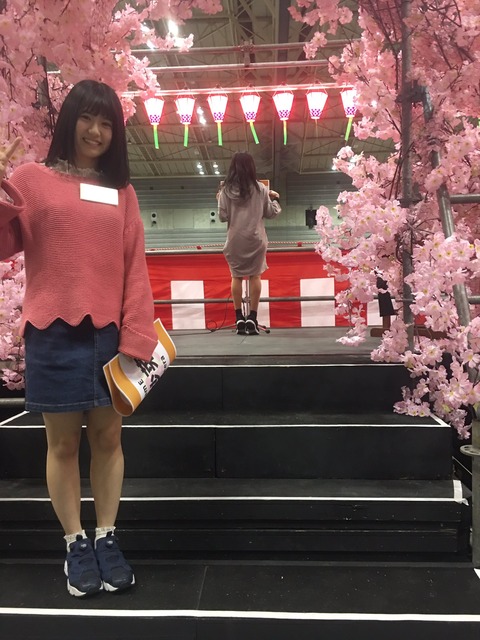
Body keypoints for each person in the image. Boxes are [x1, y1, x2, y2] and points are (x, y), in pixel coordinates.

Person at [0, 80, 158, 597]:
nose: (96, 131)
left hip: (110, 335)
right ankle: (75, 542)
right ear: (69, 120)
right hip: (51, 332)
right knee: (63, 444)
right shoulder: (30, 179)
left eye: (107, 123)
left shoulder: (122, 192)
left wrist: (137, 333)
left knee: (109, 440)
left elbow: (135, 267)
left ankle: (107, 536)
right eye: (88, 118)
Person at [217, 152, 281, 335]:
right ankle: (252, 317)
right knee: (255, 276)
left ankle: (239, 318)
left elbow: (222, 216)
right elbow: (271, 213)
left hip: (235, 239)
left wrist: (219, 199)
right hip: (256, 239)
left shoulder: (225, 190)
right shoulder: (261, 188)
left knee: (236, 277)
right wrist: (275, 199)